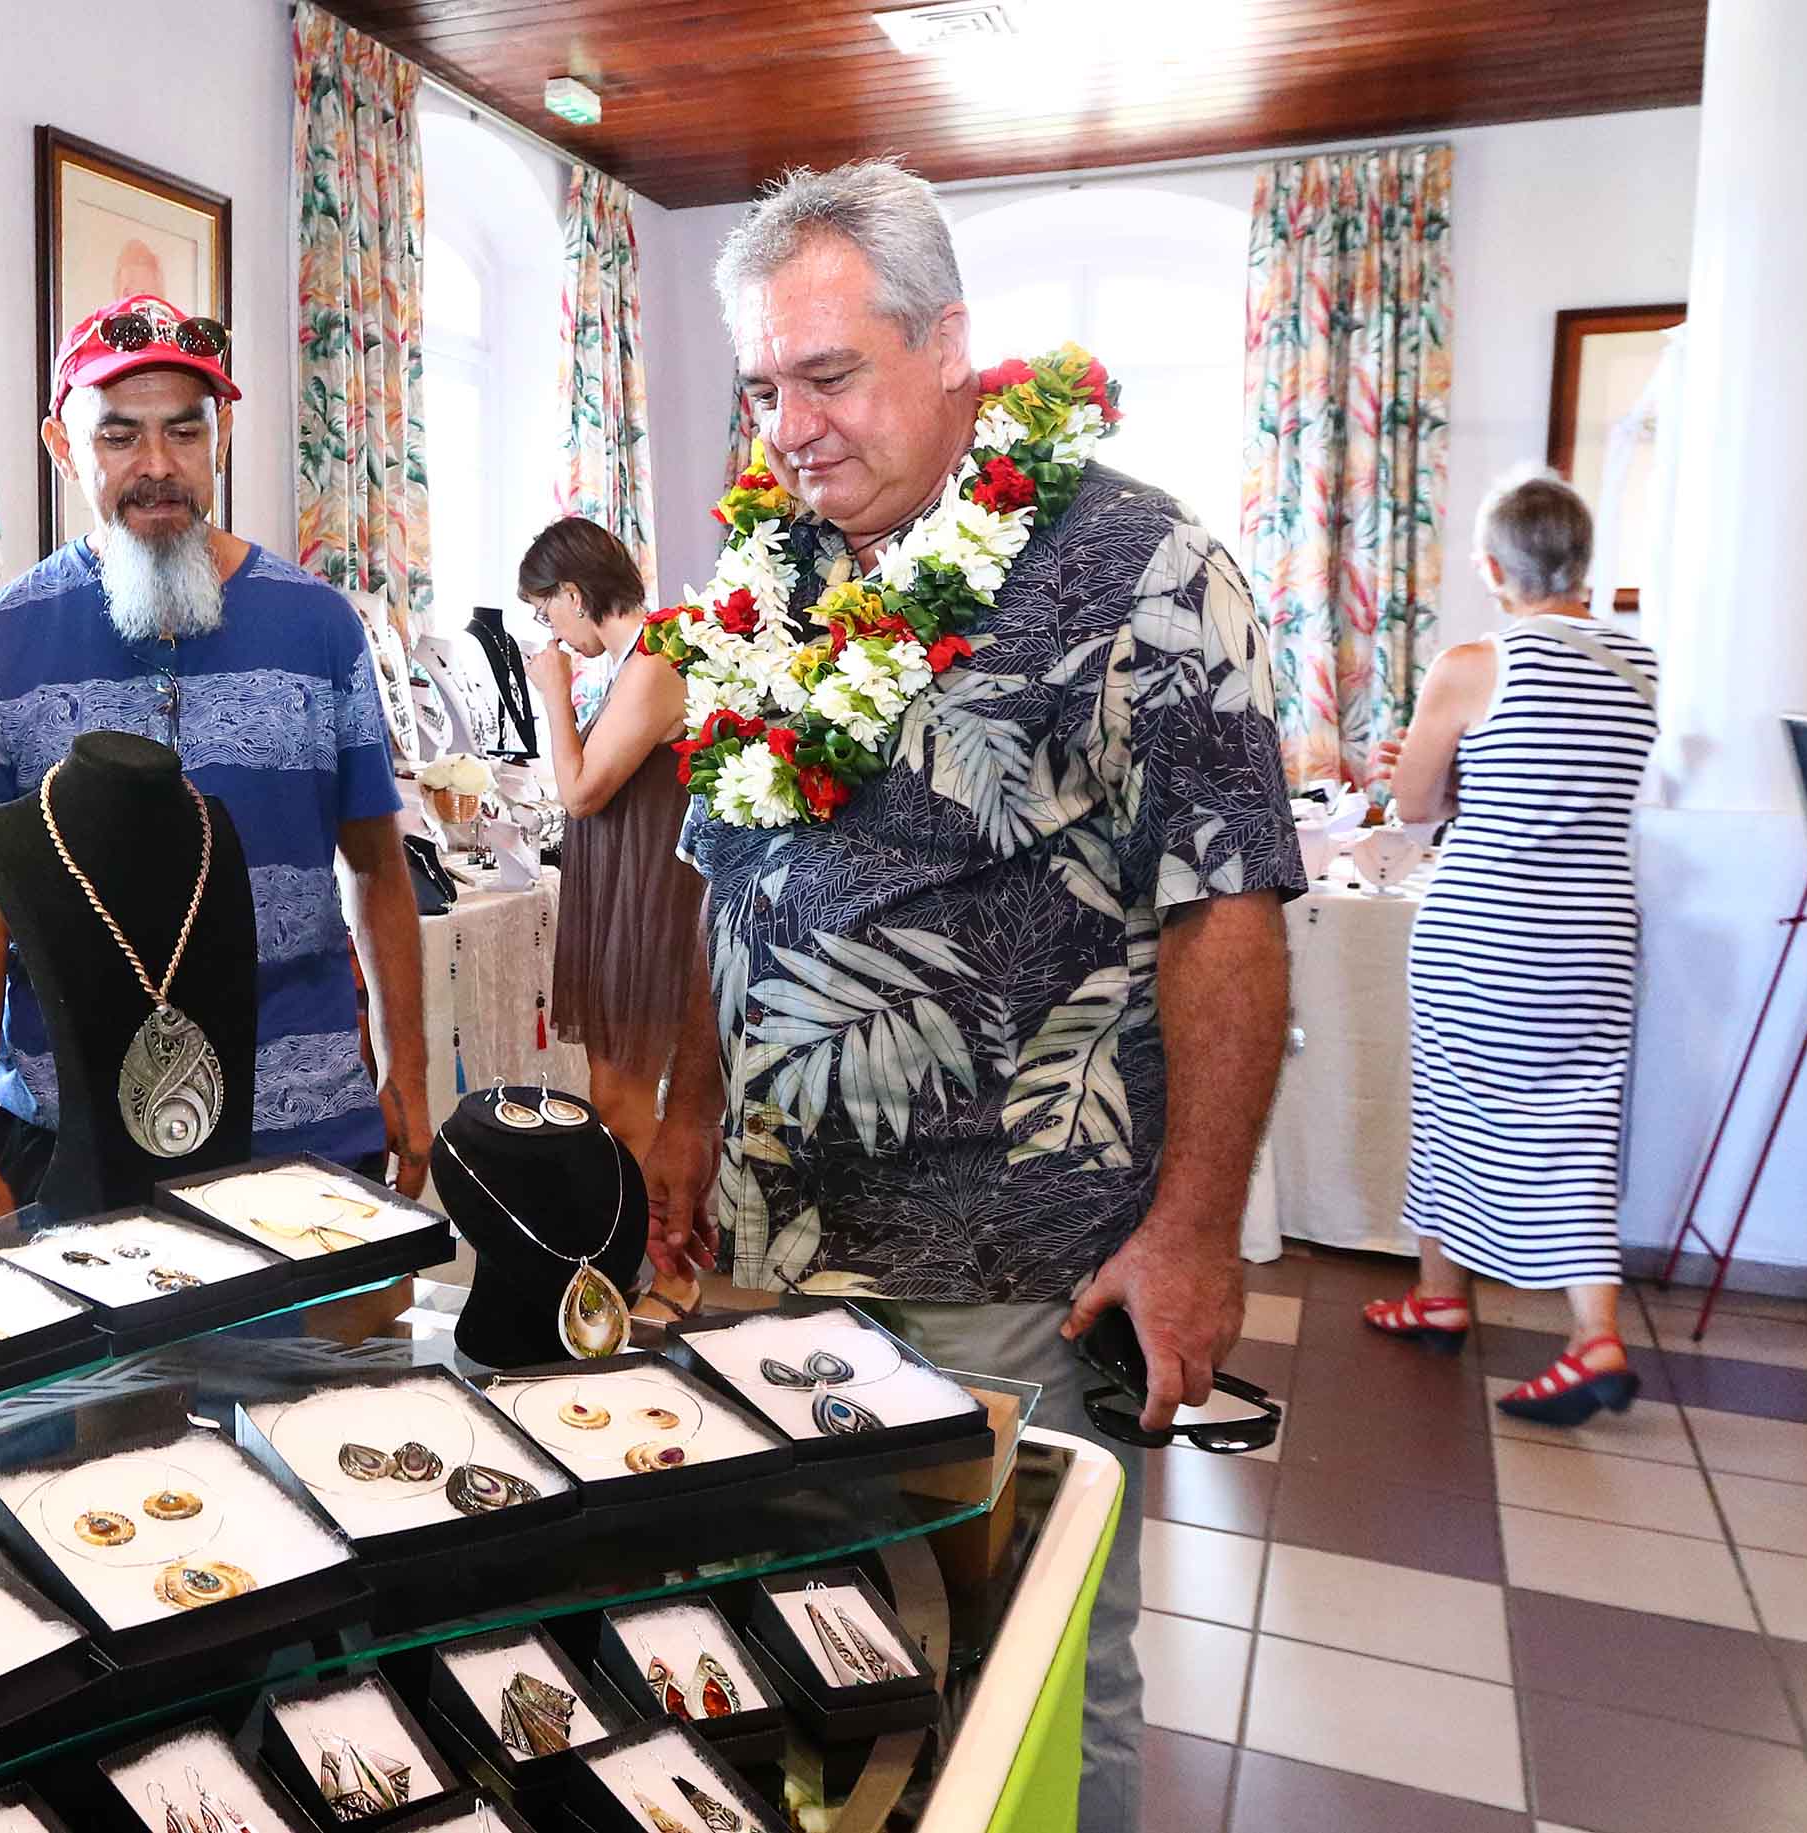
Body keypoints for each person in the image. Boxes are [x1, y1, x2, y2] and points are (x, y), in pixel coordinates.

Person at [642, 162, 1302, 1832]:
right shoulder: (768, 569)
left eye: (829, 375)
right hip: (779, 1239)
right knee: (817, 1639)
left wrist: (1197, 1233)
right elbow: (732, 873)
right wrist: (685, 1121)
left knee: (1035, 1653)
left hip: (1019, 1258)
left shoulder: (1143, 569)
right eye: (765, 387)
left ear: (948, 344)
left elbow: (1228, 912)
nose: (790, 428)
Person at [0, 294, 429, 1221]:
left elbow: (377, 869)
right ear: (62, 447)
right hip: (70, 1143)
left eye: (184, 432)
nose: (157, 465)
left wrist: (408, 1071)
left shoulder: (321, 628)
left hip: (305, 1131)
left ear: (219, 439)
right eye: (119, 435)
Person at [1364, 471, 1660, 1422]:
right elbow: (1565, 787)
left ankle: (1524, 1320)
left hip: (1488, 928)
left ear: (1494, 567)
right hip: (1595, 933)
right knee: (1578, 1123)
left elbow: (1415, 807)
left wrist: (1417, 773)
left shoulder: (1474, 663)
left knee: (1456, 1103)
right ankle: (1476, 1302)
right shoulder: (1640, 664)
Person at [517, 517, 700, 1303]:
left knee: (624, 1105)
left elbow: (582, 790)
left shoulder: (656, 658)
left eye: (546, 610)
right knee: (612, 1096)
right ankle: (654, 1267)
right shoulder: (633, 664)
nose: (550, 630)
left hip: (648, 902)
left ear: (572, 592)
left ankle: (670, 1271)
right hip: (621, 896)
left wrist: (553, 695)